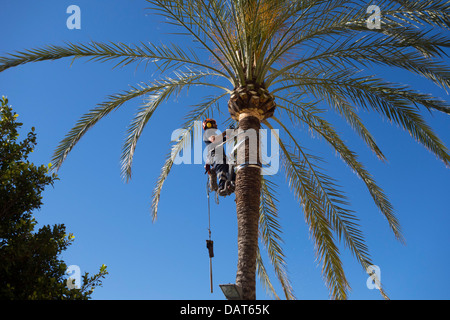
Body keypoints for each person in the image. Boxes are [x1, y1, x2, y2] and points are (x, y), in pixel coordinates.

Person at [203, 119, 235, 196]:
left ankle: (232, 185)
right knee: (222, 170)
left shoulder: (216, 136)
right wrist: (226, 132)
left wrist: (232, 133)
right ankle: (221, 188)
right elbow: (214, 139)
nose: (216, 125)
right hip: (216, 157)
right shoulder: (208, 133)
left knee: (231, 173)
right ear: (209, 125)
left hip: (222, 158)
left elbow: (225, 139)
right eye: (214, 124)